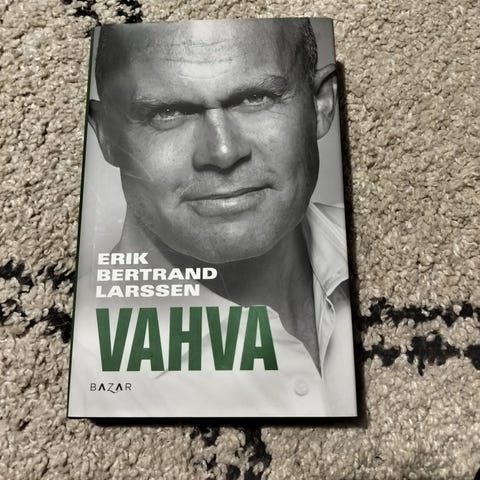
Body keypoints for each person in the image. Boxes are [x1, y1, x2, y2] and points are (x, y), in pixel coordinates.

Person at [70, 18, 356, 417]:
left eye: (255, 98)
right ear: (106, 135)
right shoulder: (75, 359)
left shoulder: (410, 266)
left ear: (321, 104)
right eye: (167, 112)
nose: (222, 152)